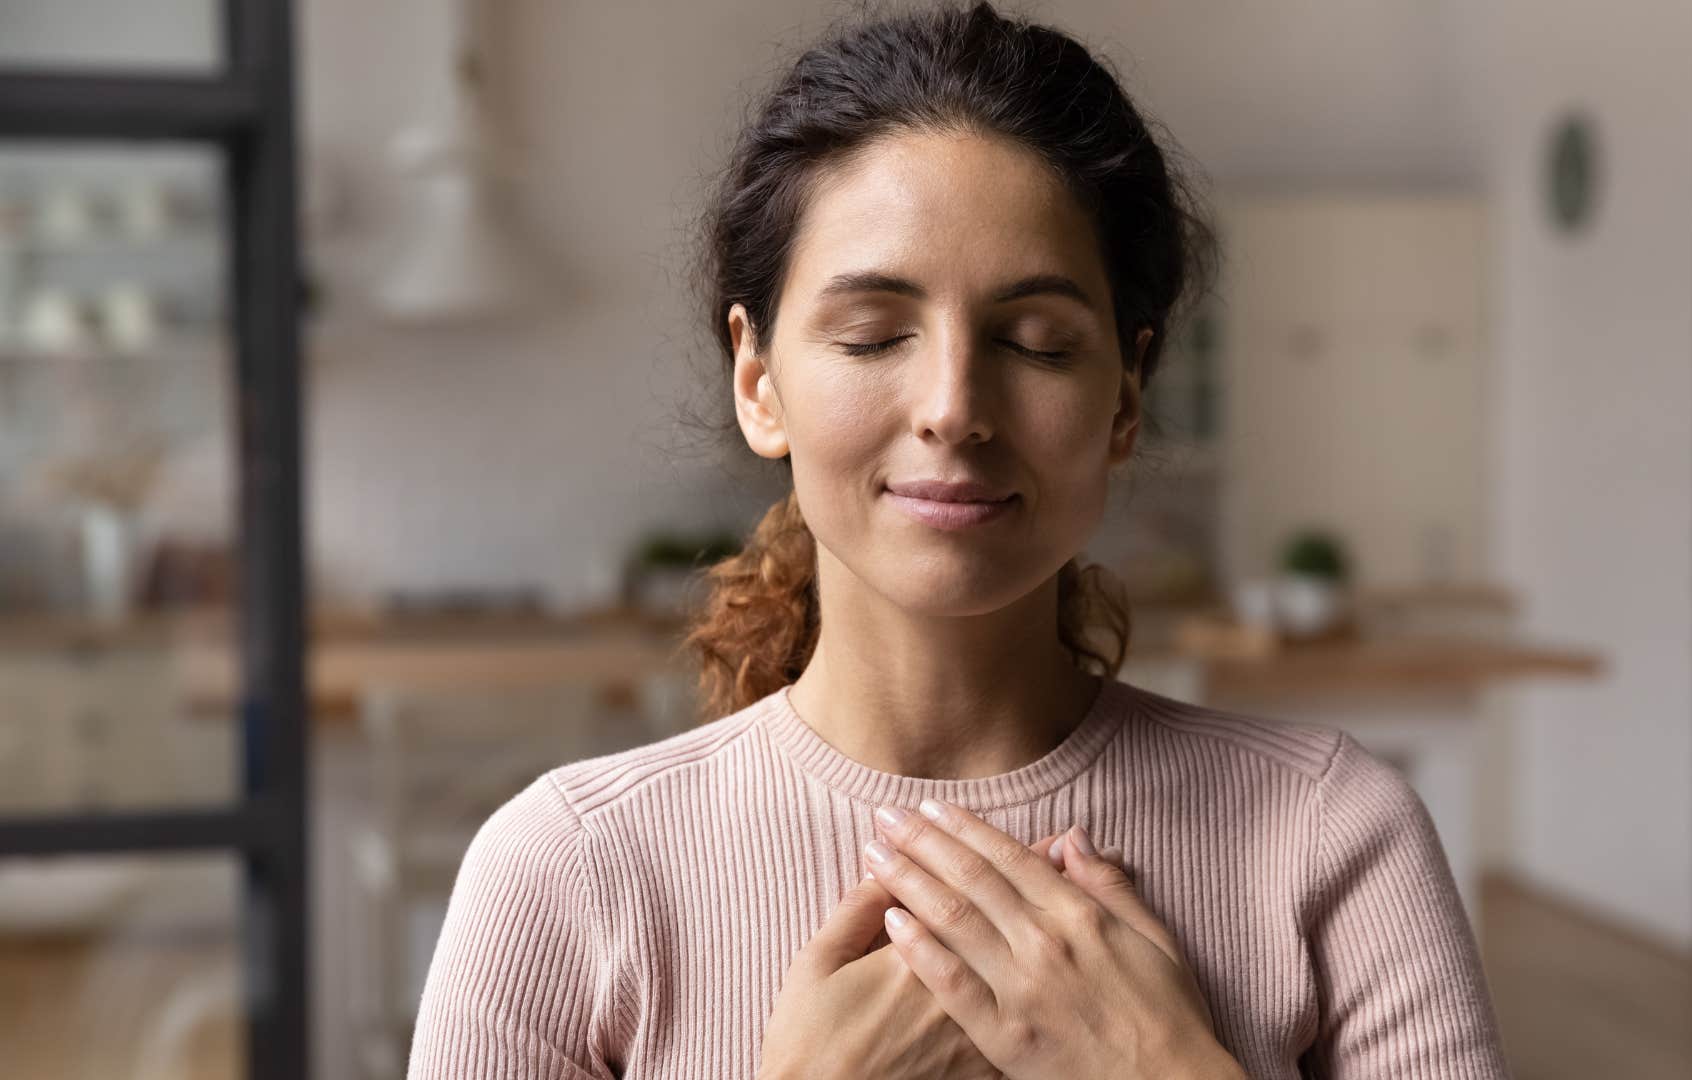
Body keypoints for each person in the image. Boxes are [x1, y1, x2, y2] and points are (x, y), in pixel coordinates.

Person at [406, 3, 1512, 1077]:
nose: (952, 405)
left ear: (1126, 397)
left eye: (1035, 343)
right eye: (875, 333)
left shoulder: (1332, 839)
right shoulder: (568, 873)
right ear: (758, 381)